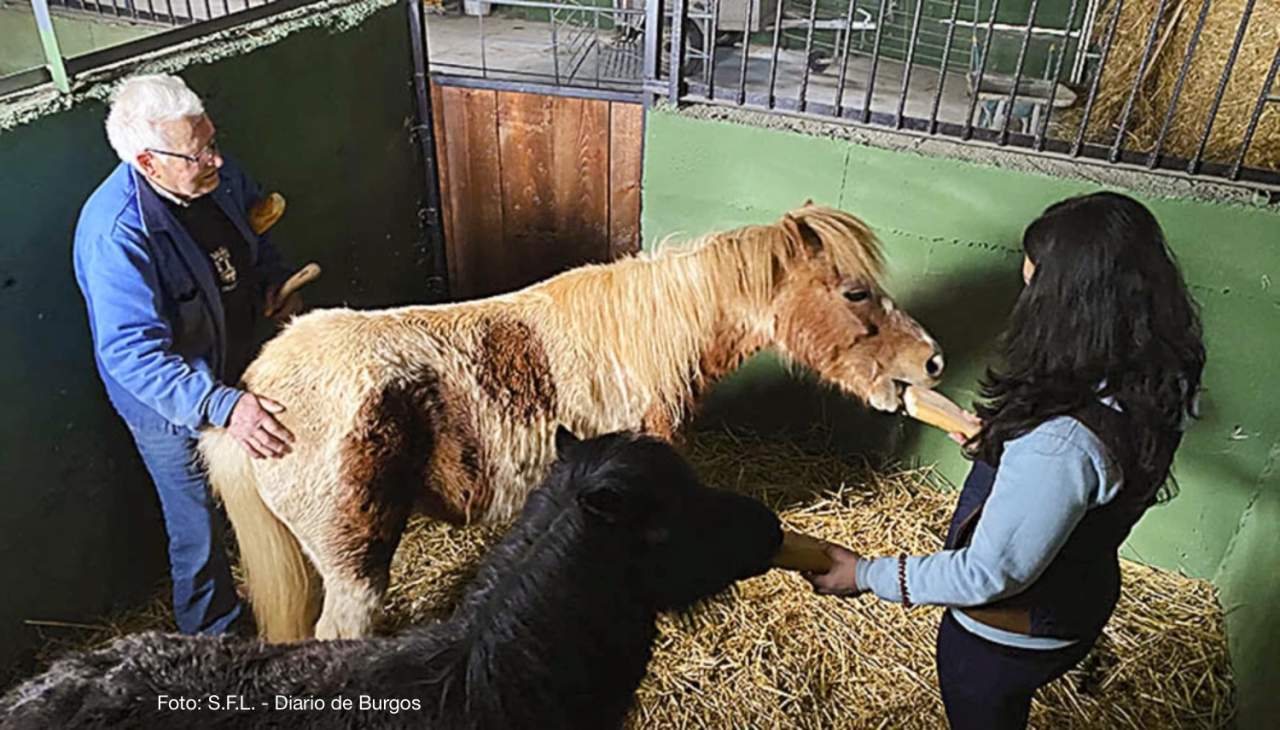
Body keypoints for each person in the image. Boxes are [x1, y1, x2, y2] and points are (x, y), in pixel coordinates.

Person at [805, 192, 1205, 729]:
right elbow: (1082, 477)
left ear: (1068, 306)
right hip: (1082, 598)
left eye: (1034, 288)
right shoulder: (1160, 373)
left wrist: (866, 573)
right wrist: (998, 442)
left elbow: (987, 574)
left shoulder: (1059, 443)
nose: (1027, 302)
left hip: (1005, 636)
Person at [74, 74, 303, 635]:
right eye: (198, 154)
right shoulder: (117, 234)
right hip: (170, 399)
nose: (218, 161)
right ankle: (213, 647)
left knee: (282, 483)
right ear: (149, 163)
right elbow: (131, 353)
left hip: (240, 357)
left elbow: (258, 230)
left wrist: (275, 281)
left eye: (212, 142)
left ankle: (288, 603)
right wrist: (222, 406)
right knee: (196, 525)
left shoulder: (213, 178)